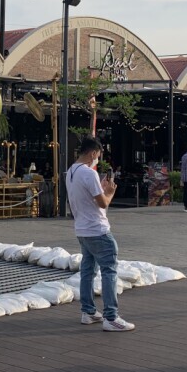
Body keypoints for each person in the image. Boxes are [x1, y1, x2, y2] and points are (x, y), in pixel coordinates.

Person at [66, 136, 134, 332]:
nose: (97, 159)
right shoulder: (89, 173)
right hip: (98, 229)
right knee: (109, 271)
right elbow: (103, 203)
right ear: (93, 153)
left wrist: (102, 189)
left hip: (82, 229)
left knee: (88, 271)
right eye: (98, 156)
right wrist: (110, 191)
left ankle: (88, 311)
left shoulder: (71, 171)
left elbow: (89, 197)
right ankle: (111, 317)